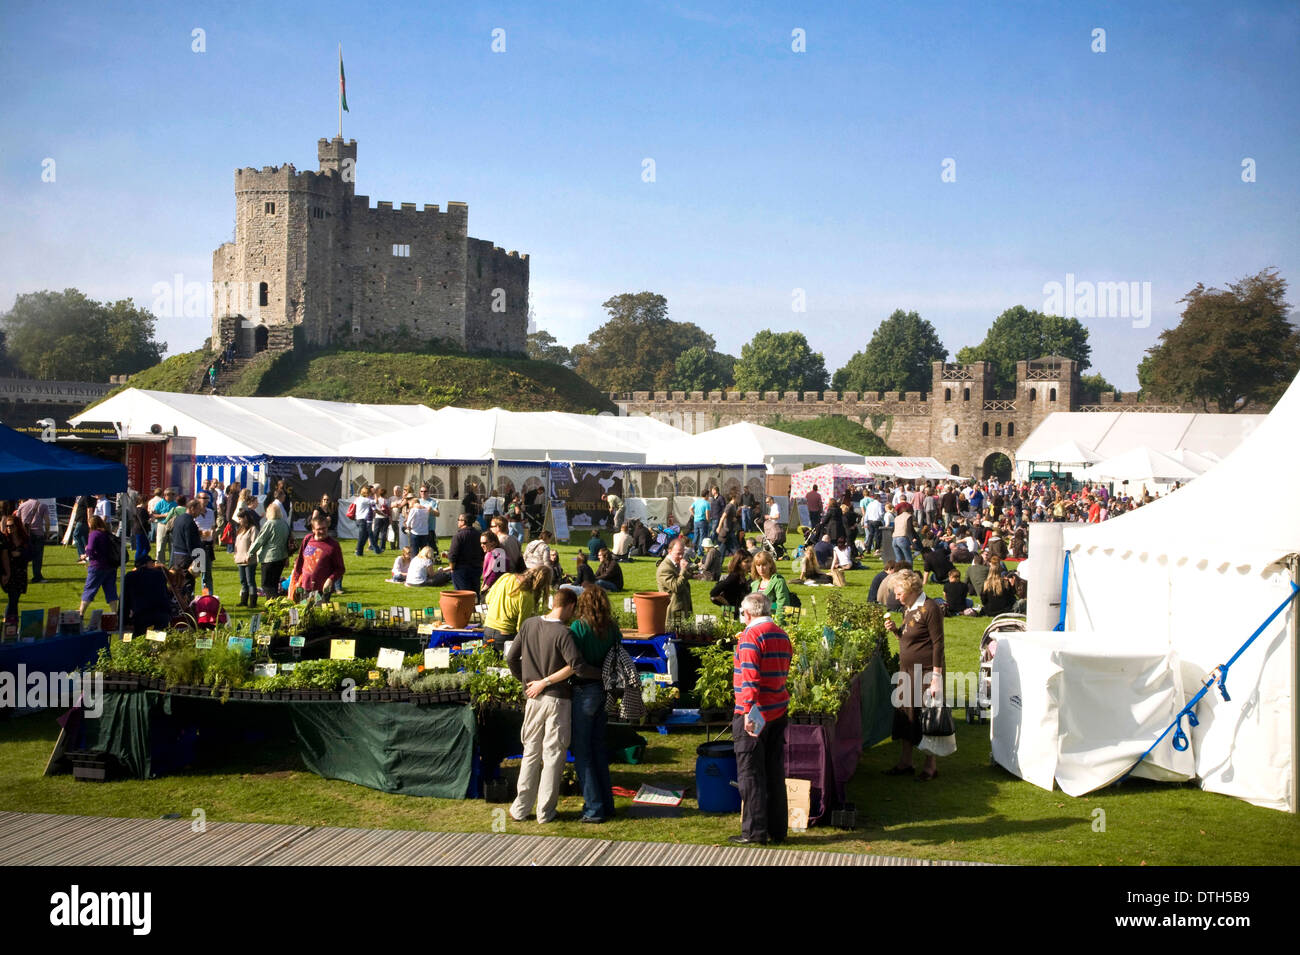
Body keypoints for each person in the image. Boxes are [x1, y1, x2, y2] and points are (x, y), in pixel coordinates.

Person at [506, 588, 600, 824]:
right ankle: (545, 812)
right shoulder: (564, 633)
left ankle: (520, 808)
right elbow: (576, 666)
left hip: (533, 698)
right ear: (568, 606)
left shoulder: (528, 625)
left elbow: (511, 658)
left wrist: (527, 682)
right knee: (553, 755)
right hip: (558, 699)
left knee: (530, 753)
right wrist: (604, 674)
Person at [730, 592, 793, 845]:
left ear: (748, 613)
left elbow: (750, 678)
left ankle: (754, 832)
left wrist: (747, 711)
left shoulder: (751, 636)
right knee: (774, 771)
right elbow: (783, 670)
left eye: (742, 613)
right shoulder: (781, 633)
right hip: (778, 708)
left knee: (750, 773)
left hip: (756, 712)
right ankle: (778, 830)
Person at [883, 569, 945, 781]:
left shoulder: (930, 608)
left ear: (910, 589)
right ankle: (906, 762)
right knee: (906, 716)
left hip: (926, 672)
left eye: (899, 592)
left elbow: (938, 644)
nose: (896, 596)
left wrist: (936, 677)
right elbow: (908, 637)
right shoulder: (909, 608)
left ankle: (930, 766)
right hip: (906, 672)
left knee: (925, 718)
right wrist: (895, 630)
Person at [568, 584, 619, 822]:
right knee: (598, 749)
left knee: (582, 752)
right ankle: (607, 804)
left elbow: (573, 662)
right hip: (604, 691)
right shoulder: (612, 628)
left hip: (584, 691)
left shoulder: (579, 627)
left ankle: (593, 808)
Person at [483, 565, 551, 643]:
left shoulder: (506, 577)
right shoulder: (527, 596)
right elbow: (521, 627)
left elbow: (488, 599)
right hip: (505, 634)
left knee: (487, 655)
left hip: (488, 628)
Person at [289, 515, 346, 598]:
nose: (322, 531)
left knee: (318, 610)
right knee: (303, 609)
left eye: (324, 528)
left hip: (322, 589)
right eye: (319, 529)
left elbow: (340, 568)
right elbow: (300, 560)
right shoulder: (307, 539)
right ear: (313, 529)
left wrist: (330, 580)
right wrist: (297, 580)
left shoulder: (333, 545)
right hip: (304, 586)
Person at [122, 554, 173, 636]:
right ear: (147, 563)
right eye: (152, 563)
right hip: (161, 615)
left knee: (140, 641)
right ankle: (155, 648)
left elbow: (125, 600)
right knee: (157, 642)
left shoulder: (130, 576)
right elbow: (165, 596)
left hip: (141, 616)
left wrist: (124, 620)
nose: (154, 565)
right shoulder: (159, 574)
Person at [79, 515, 119, 618]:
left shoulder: (94, 534)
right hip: (111, 566)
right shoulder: (107, 533)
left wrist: (85, 554)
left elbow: (90, 549)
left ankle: (81, 613)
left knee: (90, 589)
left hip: (98, 566)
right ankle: (115, 614)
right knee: (111, 592)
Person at [250, 499, 290, 598]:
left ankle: (274, 604)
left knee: (266, 585)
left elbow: (260, 540)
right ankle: (273, 608)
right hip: (282, 557)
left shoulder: (270, 524)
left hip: (270, 557)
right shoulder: (284, 523)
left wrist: (251, 552)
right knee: (274, 584)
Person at [655, 535, 693, 625]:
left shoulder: (675, 564)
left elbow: (680, 578)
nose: (681, 557)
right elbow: (676, 587)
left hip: (682, 607)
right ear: (670, 551)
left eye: (682, 554)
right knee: (675, 635)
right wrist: (684, 570)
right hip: (673, 610)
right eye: (678, 553)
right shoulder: (665, 568)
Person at [1, 515, 31, 620]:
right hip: (10, 573)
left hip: (21, 573)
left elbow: (31, 555)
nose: (9, 528)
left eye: (11, 526)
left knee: (15, 599)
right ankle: (10, 623)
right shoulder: (5, 540)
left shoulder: (25, 539)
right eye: (7, 526)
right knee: (13, 598)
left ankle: (10, 623)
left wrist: (20, 553)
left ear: (17, 526)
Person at [749, 549, 792, 619]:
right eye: (758, 565)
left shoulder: (778, 582)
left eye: (764, 565)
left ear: (770, 564)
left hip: (773, 621)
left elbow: (782, 605)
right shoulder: (754, 584)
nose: (761, 568)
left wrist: (778, 623)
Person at [448, 513, 483, 595]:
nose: (458, 522)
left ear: (464, 522)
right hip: (476, 568)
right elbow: (482, 552)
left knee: (463, 595)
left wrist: (452, 568)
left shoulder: (458, 536)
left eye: (459, 520)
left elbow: (453, 554)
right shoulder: (479, 535)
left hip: (461, 570)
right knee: (475, 595)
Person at [16, 497, 50, 583]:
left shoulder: (22, 506)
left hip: (26, 535)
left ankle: (21, 576)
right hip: (38, 534)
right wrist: (47, 532)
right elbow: (47, 521)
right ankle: (37, 576)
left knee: (24, 556)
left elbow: (17, 521)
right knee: (38, 557)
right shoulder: (43, 505)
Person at [233, 508, 260, 607]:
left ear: (246, 518)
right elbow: (237, 543)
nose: (239, 521)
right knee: (243, 581)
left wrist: (249, 555)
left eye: (240, 518)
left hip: (249, 560)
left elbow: (254, 543)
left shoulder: (253, 529)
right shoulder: (240, 529)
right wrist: (235, 554)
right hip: (240, 558)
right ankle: (243, 600)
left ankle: (253, 602)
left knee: (250, 581)